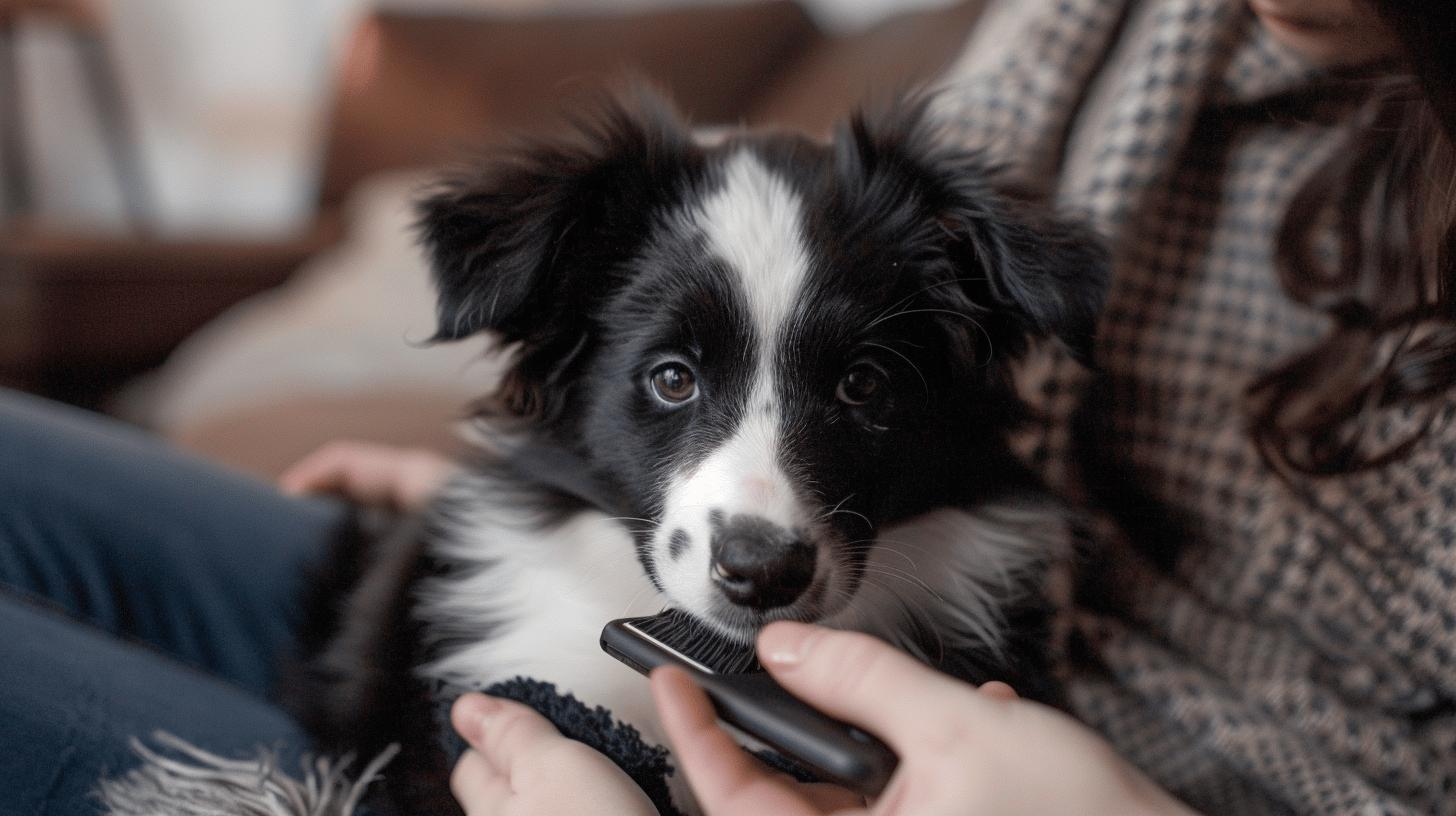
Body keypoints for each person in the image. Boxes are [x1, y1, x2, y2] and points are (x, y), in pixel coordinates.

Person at [1, 1, 1451, 815]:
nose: (759, 504)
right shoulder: (1136, 29)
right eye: (681, 379)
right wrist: (573, 469)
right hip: (495, 595)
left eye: (862, 381)